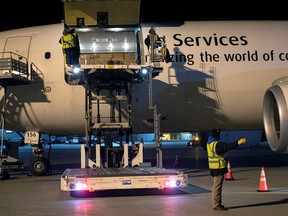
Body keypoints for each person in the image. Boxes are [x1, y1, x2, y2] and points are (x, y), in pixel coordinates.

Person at [206, 129, 246, 211]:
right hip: (217, 168)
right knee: (217, 187)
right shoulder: (216, 144)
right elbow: (227, 147)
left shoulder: (209, 143)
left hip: (214, 167)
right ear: (217, 135)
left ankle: (217, 203)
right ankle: (216, 204)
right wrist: (237, 142)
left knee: (217, 187)